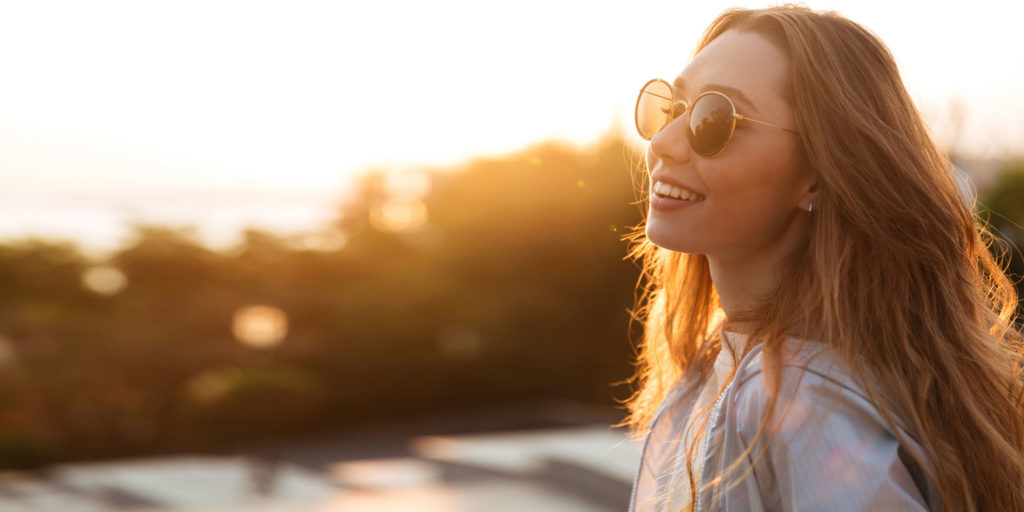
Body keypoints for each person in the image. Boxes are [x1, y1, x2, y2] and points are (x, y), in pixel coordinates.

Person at [623, 5, 1024, 512]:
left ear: (817, 172)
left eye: (713, 118)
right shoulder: (742, 364)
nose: (662, 143)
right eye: (672, 108)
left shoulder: (797, 396)